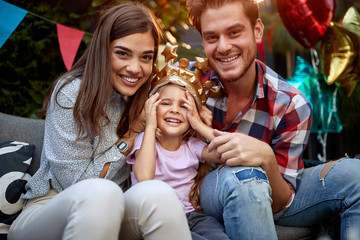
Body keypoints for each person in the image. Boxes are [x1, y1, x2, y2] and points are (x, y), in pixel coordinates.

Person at [8, 3, 192, 240]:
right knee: (102, 194)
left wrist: (198, 122)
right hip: (49, 209)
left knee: (160, 194)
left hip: (116, 210)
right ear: (102, 50)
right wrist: (132, 134)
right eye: (122, 53)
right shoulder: (72, 93)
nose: (135, 68)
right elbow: (78, 183)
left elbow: (181, 145)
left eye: (146, 57)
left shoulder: (145, 99)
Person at [185, 0, 360, 239]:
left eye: (234, 32)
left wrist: (266, 158)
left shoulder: (290, 103)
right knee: (244, 177)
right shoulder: (184, 85)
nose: (223, 47)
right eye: (212, 37)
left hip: (272, 194)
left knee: (356, 176)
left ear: (257, 31)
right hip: (201, 190)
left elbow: (282, 201)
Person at [126, 47, 230, 240]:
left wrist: (198, 124)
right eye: (165, 103)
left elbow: (227, 153)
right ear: (152, 108)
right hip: (157, 218)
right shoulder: (146, 140)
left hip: (193, 216)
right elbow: (144, 178)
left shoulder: (191, 146)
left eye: (183, 106)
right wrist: (149, 126)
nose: (174, 110)